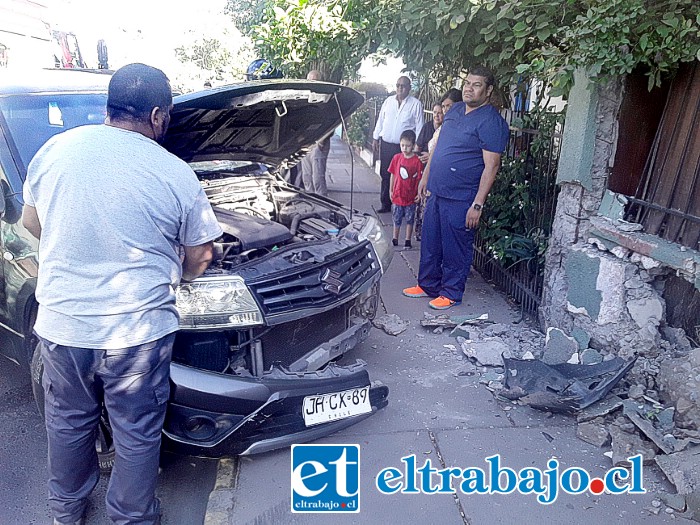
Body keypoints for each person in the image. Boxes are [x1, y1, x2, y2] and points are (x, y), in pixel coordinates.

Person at [21, 63, 223, 525]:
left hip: (63, 327)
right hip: (137, 334)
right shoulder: (173, 172)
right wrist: (178, 270)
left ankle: (66, 513)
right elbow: (200, 257)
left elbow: (32, 224)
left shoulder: (55, 150)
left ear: (108, 107)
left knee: (69, 424)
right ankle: (131, 518)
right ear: (157, 115)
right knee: (136, 432)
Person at [403, 66, 509, 310]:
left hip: (462, 196)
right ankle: (428, 285)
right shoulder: (456, 110)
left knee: (455, 247)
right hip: (437, 190)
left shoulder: (491, 122)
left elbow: (491, 166)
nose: (469, 88)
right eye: (468, 83)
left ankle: (450, 293)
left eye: (477, 84)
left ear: (489, 90)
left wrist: (478, 204)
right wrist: (425, 178)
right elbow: (438, 148)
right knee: (430, 241)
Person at [414, 88, 462, 241]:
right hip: (432, 177)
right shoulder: (443, 127)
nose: (446, 110)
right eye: (444, 106)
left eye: (449, 106)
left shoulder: (459, 128)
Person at [372, 76, 423, 213]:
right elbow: (380, 121)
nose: (400, 88)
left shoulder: (415, 104)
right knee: (385, 174)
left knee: (405, 176)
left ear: (409, 88)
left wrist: (417, 145)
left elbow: (419, 126)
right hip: (387, 144)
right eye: (398, 85)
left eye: (403, 86)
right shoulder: (388, 102)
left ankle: (404, 205)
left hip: (404, 148)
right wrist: (375, 138)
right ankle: (386, 204)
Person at [388, 129, 423, 249]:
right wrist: (391, 190)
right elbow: (392, 174)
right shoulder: (396, 158)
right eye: (402, 145)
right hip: (398, 195)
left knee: (410, 219)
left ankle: (407, 239)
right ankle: (395, 238)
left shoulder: (417, 161)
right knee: (396, 218)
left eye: (407, 146)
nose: (404, 148)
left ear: (413, 146)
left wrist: (419, 193)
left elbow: (419, 178)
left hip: (411, 196)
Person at [300, 69, 331, 196]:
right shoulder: (304, 97)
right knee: (306, 177)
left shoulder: (326, 98)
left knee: (318, 178)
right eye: (310, 81)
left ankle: (323, 204)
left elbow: (331, 121)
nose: (312, 83)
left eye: (315, 80)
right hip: (306, 143)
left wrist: (322, 140)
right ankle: (310, 203)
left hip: (319, 142)